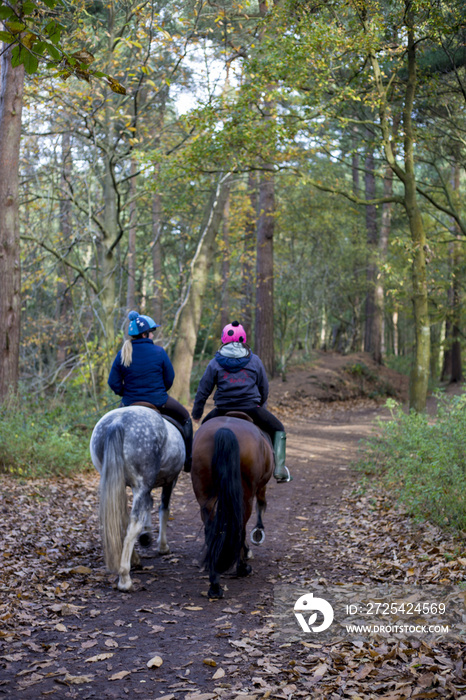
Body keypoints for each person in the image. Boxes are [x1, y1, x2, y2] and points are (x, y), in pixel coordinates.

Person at [191, 321, 292, 482]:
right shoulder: (254, 360)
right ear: (243, 339)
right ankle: (280, 468)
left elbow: (203, 390)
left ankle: (193, 461)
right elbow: (264, 387)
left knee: (204, 430)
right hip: (251, 408)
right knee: (278, 428)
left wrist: (197, 413)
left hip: (222, 409)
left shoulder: (215, 362)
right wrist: (261, 406)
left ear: (224, 339)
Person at [108, 310, 193, 472]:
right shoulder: (159, 352)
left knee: (111, 426)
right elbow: (169, 378)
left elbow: (113, 382)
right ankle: (188, 460)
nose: (153, 336)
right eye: (151, 333)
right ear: (145, 335)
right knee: (186, 418)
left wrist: (124, 393)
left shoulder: (123, 353)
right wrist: (159, 391)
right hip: (158, 400)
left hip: (129, 402)